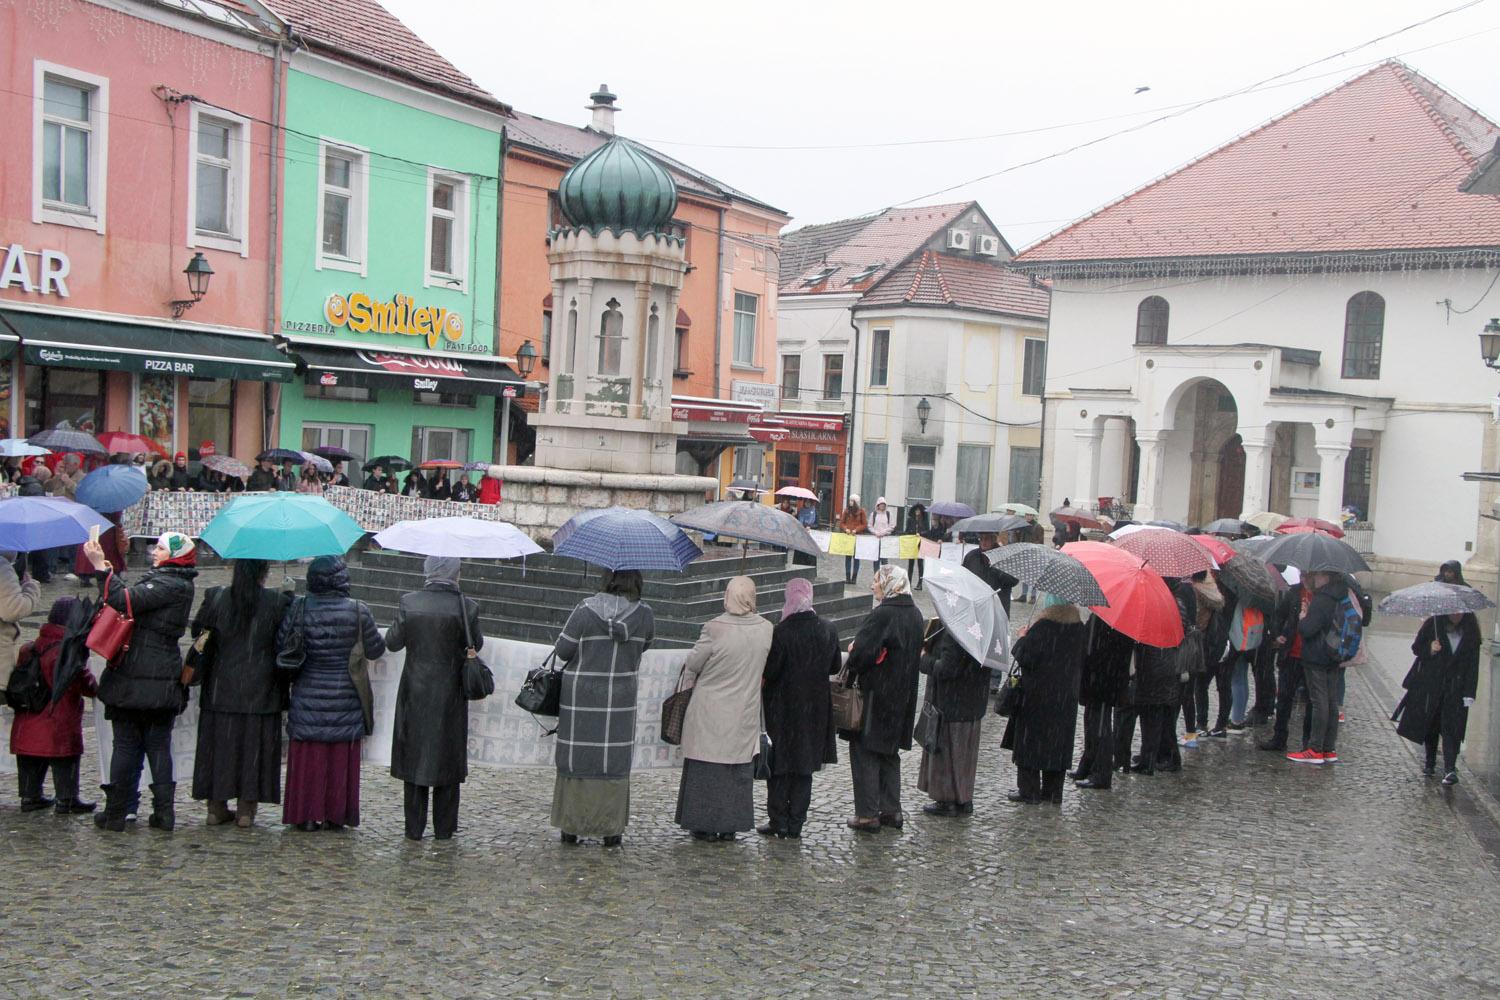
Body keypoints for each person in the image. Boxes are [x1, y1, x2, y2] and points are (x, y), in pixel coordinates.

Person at [84, 531, 197, 832]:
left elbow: (123, 600)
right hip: (160, 676)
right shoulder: (176, 582)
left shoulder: (168, 583)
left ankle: (117, 813)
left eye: (160, 548)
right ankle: (161, 813)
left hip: (137, 674)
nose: (153, 552)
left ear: (175, 555)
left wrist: (102, 569)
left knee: (127, 745)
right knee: (157, 746)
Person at [278, 556, 385, 831]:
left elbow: (282, 645)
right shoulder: (358, 610)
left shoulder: (300, 608)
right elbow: (375, 649)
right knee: (338, 759)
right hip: (345, 695)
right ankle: (335, 814)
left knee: (308, 758)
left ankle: (305, 813)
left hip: (308, 692)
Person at [552, 569, 654, 847]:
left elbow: (563, 650)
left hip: (581, 699)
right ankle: (611, 829)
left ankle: (572, 827)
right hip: (620, 700)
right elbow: (644, 645)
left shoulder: (584, 611)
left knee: (579, 759)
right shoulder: (644, 615)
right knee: (613, 762)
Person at [188, 559, 290, 829]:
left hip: (221, 687)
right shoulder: (276, 602)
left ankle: (216, 806)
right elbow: (285, 641)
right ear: (264, 573)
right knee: (252, 749)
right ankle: (246, 809)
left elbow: (198, 632)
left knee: (219, 748)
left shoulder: (216, 597)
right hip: (261, 689)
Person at [384, 556, 480, 841]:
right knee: (447, 761)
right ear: (455, 573)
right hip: (450, 692)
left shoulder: (409, 602)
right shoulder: (467, 607)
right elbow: (476, 643)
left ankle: (414, 827)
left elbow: (392, 641)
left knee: (414, 759)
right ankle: (444, 827)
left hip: (415, 691)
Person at [676, 576, 773, 841]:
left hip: (710, 709)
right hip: (744, 709)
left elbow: (694, 663)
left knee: (707, 766)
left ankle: (703, 823)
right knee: (735, 769)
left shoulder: (714, 627)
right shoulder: (766, 628)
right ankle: (730, 824)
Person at [842, 564, 923, 832]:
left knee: (865, 751)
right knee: (889, 753)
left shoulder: (883, 614)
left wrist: (854, 649)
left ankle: (867, 815)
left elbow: (861, 656)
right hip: (902, 696)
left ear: (890, 584)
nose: (872, 585)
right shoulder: (914, 614)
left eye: (877, 581)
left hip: (876, 695)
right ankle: (891, 810)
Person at [759, 577, 839, 838]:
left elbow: (771, 670)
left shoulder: (781, 632)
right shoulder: (827, 629)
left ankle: (778, 820)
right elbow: (835, 667)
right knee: (804, 767)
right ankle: (796, 823)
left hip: (783, 709)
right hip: (814, 709)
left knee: (780, 766)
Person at [10, 598, 92, 813]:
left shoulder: (30, 647)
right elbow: (84, 684)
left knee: (29, 757)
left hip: (29, 716)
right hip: (57, 717)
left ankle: (30, 797)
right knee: (64, 758)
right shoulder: (66, 652)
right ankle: (67, 799)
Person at [1004, 596, 1087, 803]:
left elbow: (1025, 657)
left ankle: (1029, 791)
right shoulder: (1079, 629)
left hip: (1036, 696)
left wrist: (1023, 637)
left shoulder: (1043, 627)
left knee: (1030, 744)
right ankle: (1053, 792)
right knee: (1057, 745)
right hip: (1065, 698)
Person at [917, 608, 991, 817]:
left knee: (948, 755)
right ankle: (963, 798)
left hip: (952, 703)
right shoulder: (979, 629)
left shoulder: (955, 631)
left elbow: (945, 668)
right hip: (972, 703)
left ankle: (947, 800)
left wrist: (924, 658)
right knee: (965, 756)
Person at [1396, 610, 1481, 785]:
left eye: (1461, 612)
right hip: (1433, 685)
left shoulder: (1471, 632)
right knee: (1432, 725)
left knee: (1452, 729)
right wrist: (1430, 649)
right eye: (1454, 612)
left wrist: (1469, 693)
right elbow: (1417, 648)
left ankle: (1450, 768)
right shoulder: (1433, 625)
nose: (1457, 615)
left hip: (1456, 690)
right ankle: (1430, 762)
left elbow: (1473, 665)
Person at [1287, 571, 1348, 764]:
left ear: (1326, 577)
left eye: (1317, 575)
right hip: (1333, 655)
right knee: (1330, 702)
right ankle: (1328, 749)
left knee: (1319, 702)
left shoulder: (1323, 599)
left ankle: (1315, 749)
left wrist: (1303, 616)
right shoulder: (1341, 595)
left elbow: (1307, 629)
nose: (1313, 578)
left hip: (1317, 656)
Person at [1073, 615, 1134, 790]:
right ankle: (1088, 765)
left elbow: (1103, 648)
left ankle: (1101, 774)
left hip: (1104, 681)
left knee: (1100, 727)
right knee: (1092, 724)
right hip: (1097, 679)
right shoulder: (1103, 615)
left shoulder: (1116, 619)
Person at [963, 531, 1017, 615]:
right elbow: (964, 577)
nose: (983, 542)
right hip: (977, 605)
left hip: (997, 606)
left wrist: (997, 569)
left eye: (987, 538)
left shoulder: (1005, 556)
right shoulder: (972, 556)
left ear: (994, 539)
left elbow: (1013, 580)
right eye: (981, 538)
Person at [839, 495, 867, 585]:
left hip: (857, 537)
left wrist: (856, 530)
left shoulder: (861, 512)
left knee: (856, 558)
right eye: (850, 500)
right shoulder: (846, 511)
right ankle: (847, 577)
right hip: (848, 537)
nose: (850, 502)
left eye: (852, 500)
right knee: (848, 557)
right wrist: (845, 528)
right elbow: (842, 523)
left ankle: (854, 577)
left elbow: (864, 524)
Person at [868, 497, 896, 578]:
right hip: (876, 539)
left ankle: (885, 578)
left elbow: (892, 525)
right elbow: (870, 525)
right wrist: (875, 532)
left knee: (884, 560)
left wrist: (884, 532)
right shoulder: (874, 514)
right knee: (876, 559)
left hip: (885, 539)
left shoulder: (888, 514)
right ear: (878, 505)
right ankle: (876, 577)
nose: (882, 506)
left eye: (884, 505)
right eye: (881, 505)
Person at [905, 503, 929, 590]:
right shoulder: (910, 520)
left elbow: (927, 531)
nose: (917, 512)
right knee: (910, 564)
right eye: (916, 510)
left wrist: (921, 534)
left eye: (919, 510)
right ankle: (909, 581)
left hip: (921, 543)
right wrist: (912, 533)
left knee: (920, 564)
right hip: (912, 543)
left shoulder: (924, 521)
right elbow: (906, 531)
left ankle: (920, 583)